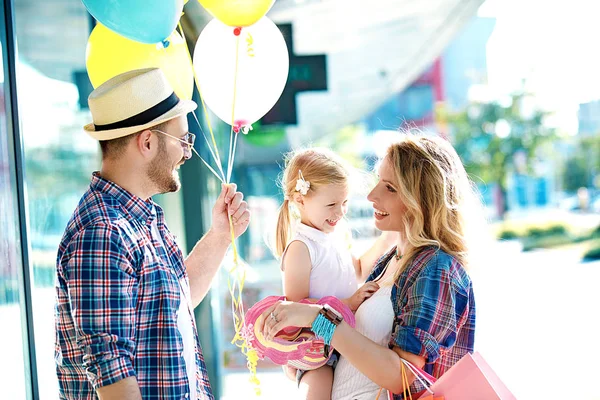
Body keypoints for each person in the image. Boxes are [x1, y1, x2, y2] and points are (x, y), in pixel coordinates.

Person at [54, 68, 250, 400]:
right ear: (147, 142)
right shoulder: (102, 232)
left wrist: (220, 236)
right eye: (185, 141)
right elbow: (110, 368)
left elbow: (174, 303)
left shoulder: (140, 218)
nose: (187, 153)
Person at [261, 134, 479, 399]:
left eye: (389, 187)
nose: (371, 195)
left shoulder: (436, 269)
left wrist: (318, 318)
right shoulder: (392, 260)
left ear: (420, 199)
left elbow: (400, 377)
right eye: (378, 181)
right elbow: (349, 347)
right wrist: (296, 351)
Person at [274, 148, 395, 399]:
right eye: (331, 205)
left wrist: (388, 238)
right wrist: (350, 303)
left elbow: (359, 270)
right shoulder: (301, 247)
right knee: (320, 385)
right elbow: (297, 309)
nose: (340, 213)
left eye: (345, 203)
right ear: (300, 200)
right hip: (316, 349)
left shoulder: (335, 235)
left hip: (345, 338)